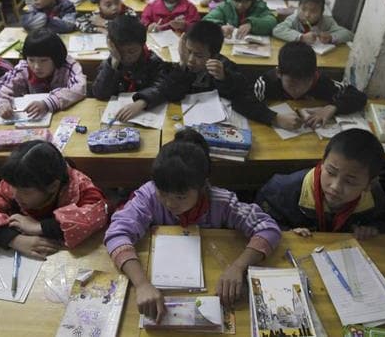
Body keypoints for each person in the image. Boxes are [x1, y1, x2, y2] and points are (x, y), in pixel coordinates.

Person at [105, 131, 282, 317]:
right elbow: (116, 233)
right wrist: (141, 284)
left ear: (202, 187)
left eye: (181, 197)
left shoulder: (221, 202)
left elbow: (267, 227)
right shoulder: (149, 196)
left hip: (209, 283)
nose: (170, 203)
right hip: (160, 284)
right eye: (163, 192)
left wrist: (238, 266)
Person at [0, 140, 108, 258]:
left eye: (25, 192)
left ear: (53, 186)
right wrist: (14, 240)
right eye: (13, 187)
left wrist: (40, 227)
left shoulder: (81, 187)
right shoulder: (15, 183)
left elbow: (97, 215)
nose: (15, 195)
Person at [258, 129, 385, 237]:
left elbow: (384, 221)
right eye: (331, 172)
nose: (335, 187)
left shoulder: (375, 198)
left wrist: (373, 229)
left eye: (349, 181)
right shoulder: (281, 190)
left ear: (369, 185)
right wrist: (286, 233)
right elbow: (260, 220)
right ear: (322, 163)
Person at [234, 41, 366, 129]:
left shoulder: (321, 82)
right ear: (279, 73)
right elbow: (240, 101)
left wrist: (332, 108)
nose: (298, 90)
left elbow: (358, 96)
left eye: (306, 83)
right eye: (292, 83)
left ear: (314, 75)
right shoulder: (267, 82)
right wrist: (275, 118)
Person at [0, 27, 86, 119]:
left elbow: (79, 88)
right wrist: (1, 103)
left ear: (56, 57)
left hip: (63, 115)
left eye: (43, 60)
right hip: (34, 120)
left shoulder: (68, 65)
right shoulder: (24, 67)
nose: (36, 67)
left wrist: (47, 103)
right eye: (31, 60)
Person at [92, 15, 168, 121]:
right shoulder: (112, 61)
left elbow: (163, 87)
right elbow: (100, 93)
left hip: (145, 115)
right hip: (116, 117)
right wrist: (113, 63)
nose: (126, 56)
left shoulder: (153, 61)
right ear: (112, 47)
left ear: (143, 45)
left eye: (132, 51)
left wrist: (143, 101)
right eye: (120, 51)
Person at [157, 21, 246, 103]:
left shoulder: (224, 67)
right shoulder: (179, 63)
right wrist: (182, 65)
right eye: (188, 51)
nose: (191, 59)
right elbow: (171, 95)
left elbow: (237, 95)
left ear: (214, 55)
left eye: (199, 56)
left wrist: (223, 79)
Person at [273, 0, 353, 44]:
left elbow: (348, 34)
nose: (307, 14)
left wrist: (331, 38)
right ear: (298, 8)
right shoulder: (294, 19)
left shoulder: (327, 21)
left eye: (313, 11)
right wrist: (301, 37)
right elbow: (277, 30)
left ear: (321, 13)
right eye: (303, 9)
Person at [203, 0, 275, 38]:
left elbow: (272, 22)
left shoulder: (259, 7)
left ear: (252, 0)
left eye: (245, 2)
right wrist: (220, 28)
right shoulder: (226, 6)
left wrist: (252, 25)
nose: (240, 5)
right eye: (237, 1)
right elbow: (205, 22)